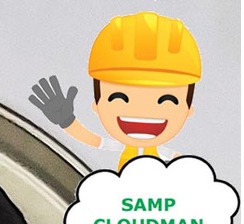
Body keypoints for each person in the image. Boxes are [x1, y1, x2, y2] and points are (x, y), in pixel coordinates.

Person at [30, 11, 200, 171]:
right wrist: (67, 121)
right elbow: (94, 140)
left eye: (166, 100)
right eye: (120, 98)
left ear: (188, 110)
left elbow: (187, 165)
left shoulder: (167, 156)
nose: (141, 111)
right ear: (97, 104)